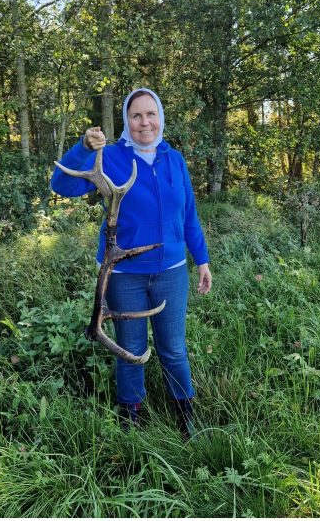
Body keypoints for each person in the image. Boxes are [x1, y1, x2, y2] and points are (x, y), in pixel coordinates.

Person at [50, 88, 212, 437]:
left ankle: (186, 416)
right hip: (124, 275)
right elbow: (61, 185)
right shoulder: (111, 156)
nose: (144, 122)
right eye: (136, 115)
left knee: (173, 349)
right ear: (127, 120)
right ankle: (131, 419)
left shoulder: (174, 160)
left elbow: (189, 217)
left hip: (170, 273)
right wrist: (82, 148)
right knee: (130, 349)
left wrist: (202, 260)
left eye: (150, 114)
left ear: (160, 117)